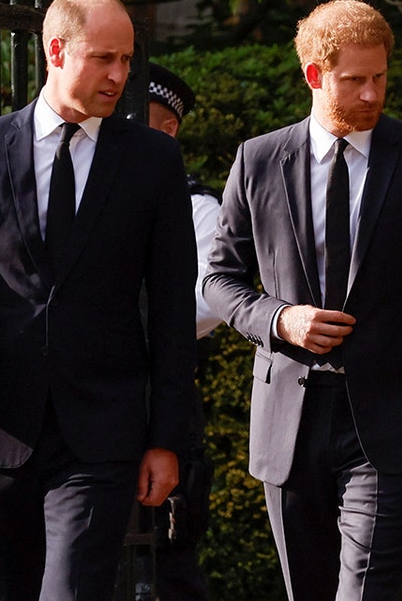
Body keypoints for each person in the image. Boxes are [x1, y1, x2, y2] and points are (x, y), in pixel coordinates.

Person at [202, 0, 402, 600]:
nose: (373, 95)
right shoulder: (260, 159)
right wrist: (280, 318)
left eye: (380, 78)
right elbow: (219, 281)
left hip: (389, 418)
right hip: (289, 423)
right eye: (355, 81)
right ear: (314, 76)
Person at [0, 0, 197, 600]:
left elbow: (172, 308)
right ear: (57, 50)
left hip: (102, 432)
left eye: (127, 60)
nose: (120, 75)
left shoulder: (152, 160)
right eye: (105, 58)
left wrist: (165, 438)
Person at [146, 62, 220, 600]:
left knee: (166, 563)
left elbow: (207, 301)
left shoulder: (198, 207)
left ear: (168, 129)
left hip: (161, 395)